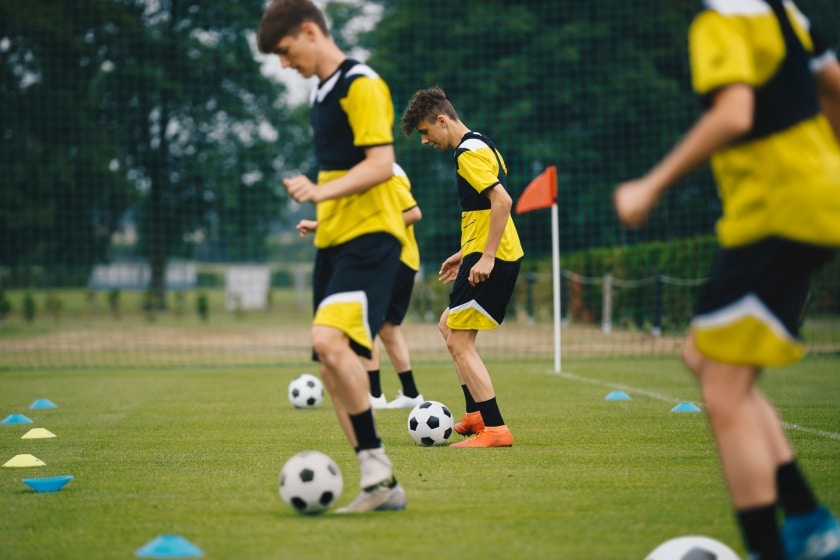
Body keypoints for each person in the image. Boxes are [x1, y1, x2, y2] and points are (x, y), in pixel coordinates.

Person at [614, 1, 840, 558]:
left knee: (722, 390)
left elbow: (734, 113)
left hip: (776, 211)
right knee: (702, 358)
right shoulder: (783, 11)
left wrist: (652, 183)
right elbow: (833, 84)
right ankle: (809, 517)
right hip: (806, 202)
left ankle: (775, 544)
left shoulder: (720, 18)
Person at [257, 0, 407, 513]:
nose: (283, 64)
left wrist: (319, 195)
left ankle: (378, 473)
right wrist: (324, 217)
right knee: (329, 363)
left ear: (308, 31)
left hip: (371, 240)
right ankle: (380, 483)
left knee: (326, 339)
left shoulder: (360, 84)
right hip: (336, 240)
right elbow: (344, 175)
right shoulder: (321, 92)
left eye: (284, 51)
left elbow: (382, 165)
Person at [400, 86, 524, 448]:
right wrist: (466, 251)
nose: (425, 141)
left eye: (425, 132)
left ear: (442, 120)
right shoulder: (481, 143)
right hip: (491, 251)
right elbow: (485, 210)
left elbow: (502, 201)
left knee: (459, 341)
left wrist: (484, 256)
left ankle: (496, 429)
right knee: (447, 325)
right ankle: (474, 416)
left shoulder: (465, 155)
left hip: (494, 257)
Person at [297, 163, 427, 410]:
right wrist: (318, 225)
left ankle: (374, 395)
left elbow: (412, 214)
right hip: (404, 258)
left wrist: (376, 233)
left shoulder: (383, 170)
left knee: (369, 325)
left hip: (392, 258)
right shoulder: (372, 170)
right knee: (388, 329)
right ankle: (410, 394)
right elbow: (360, 217)